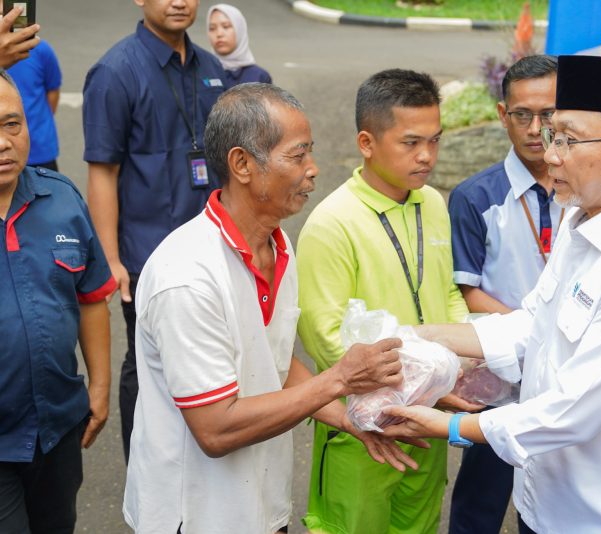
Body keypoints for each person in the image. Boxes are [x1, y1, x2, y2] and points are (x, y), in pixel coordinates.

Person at [381, 55, 601, 534]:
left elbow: (574, 411)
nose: (550, 155)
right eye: (554, 136)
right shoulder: (581, 219)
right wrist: (416, 336)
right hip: (544, 497)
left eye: (569, 140)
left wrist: (445, 426)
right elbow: (534, 323)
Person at [123, 83, 420, 534]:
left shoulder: (277, 245)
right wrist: (338, 380)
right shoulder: (186, 276)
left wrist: (349, 419)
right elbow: (215, 430)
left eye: (310, 153)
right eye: (297, 156)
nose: (313, 170)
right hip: (196, 515)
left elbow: (275, 361)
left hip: (262, 506)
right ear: (242, 164)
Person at [296, 68, 473, 534]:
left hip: (428, 417)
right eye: (411, 143)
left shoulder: (432, 202)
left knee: (419, 524)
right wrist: (416, 389)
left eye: (434, 140)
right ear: (367, 142)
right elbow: (324, 336)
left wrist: (463, 364)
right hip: (362, 425)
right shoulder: (332, 222)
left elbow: (447, 293)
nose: (427, 156)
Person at [83, 0, 227, 461]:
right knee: (147, 365)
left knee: (210, 356)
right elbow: (103, 170)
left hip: (212, 246)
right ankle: (146, 475)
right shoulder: (114, 71)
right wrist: (110, 259)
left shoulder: (211, 67)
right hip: (147, 255)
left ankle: (200, 466)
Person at [0, 58, 115, 533]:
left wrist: (99, 387)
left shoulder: (61, 199)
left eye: (11, 123)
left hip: (58, 429)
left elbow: (91, 297)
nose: (0, 142)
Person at [446, 54, 560, 534]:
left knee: (554, 493)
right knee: (483, 494)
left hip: (565, 372)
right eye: (522, 115)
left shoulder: (587, 189)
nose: (536, 128)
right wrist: (533, 333)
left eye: (549, 114)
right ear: (501, 114)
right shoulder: (476, 196)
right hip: (501, 375)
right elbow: (469, 293)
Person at [0, 0, 62, 171]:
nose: (2, 10)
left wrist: (41, 125)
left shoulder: (40, 49)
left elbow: (52, 91)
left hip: (40, 150)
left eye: (9, 2)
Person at [207, 3, 271, 88]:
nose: (219, 34)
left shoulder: (259, 77)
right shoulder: (201, 73)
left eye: (226, 26)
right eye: (212, 28)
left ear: (240, 30)